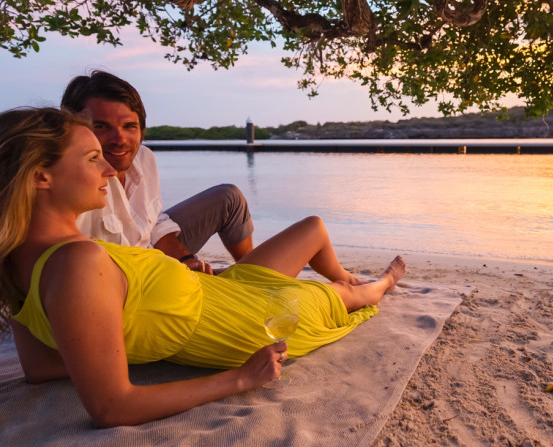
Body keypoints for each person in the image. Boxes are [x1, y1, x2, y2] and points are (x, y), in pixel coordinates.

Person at [0, 107, 406, 427]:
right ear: (41, 176)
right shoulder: (77, 262)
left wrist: (116, 343)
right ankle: (384, 281)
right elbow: (112, 407)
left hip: (225, 288)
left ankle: (358, 277)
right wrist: (240, 379)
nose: (108, 168)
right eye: (92, 158)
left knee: (311, 228)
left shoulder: (17, 260)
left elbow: (41, 367)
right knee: (343, 295)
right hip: (244, 321)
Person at [60, 70, 254, 274]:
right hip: (123, 278)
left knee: (229, 198)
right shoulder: (68, 179)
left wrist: (186, 259)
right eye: (101, 126)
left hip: (152, 253)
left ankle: (251, 274)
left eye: (129, 126)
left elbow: (154, 222)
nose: (119, 139)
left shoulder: (144, 158)